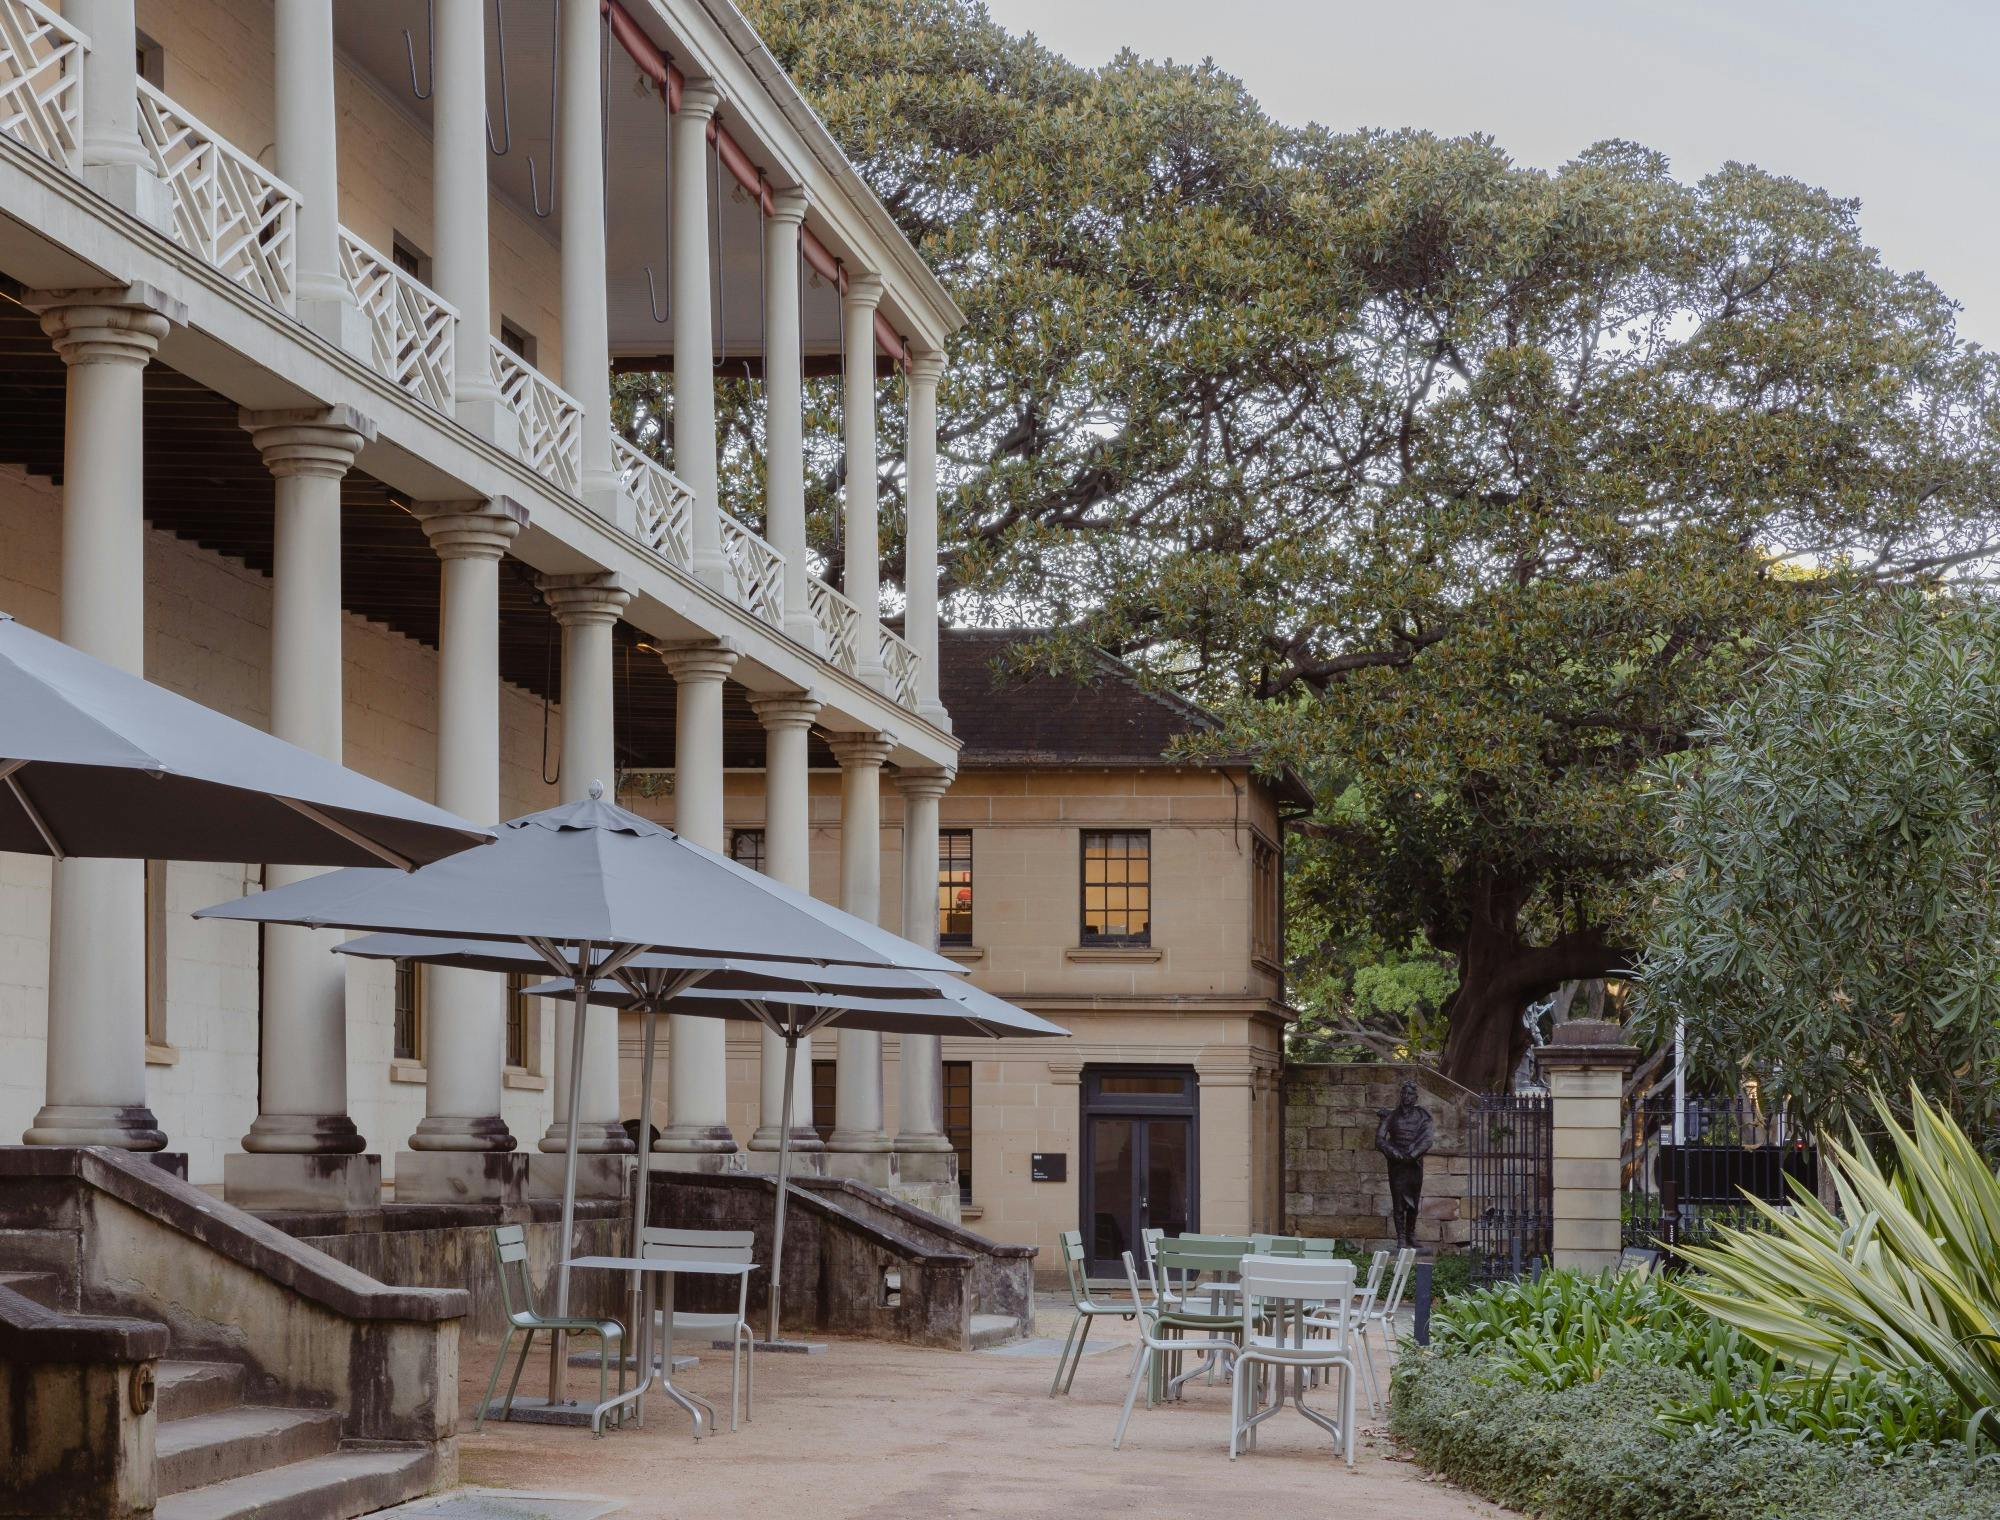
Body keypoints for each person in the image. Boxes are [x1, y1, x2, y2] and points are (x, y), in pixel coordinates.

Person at [1375, 1079, 1435, 1250]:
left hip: (1414, 1164)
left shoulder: (1423, 1116)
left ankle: (1411, 1234)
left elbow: (1427, 1138)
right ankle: (1401, 1237)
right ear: (1400, 1095)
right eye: (1404, 1093)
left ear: (1415, 1097)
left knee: (1414, 1202)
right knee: (1399, 1203)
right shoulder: (1391, 1116)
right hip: (1397, 1166)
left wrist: (1412, 1155)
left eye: (1410, 1094)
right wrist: (1394, 1153)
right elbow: (1379, 1140)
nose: (1406, 1097)